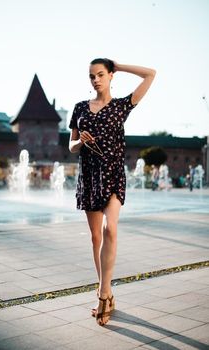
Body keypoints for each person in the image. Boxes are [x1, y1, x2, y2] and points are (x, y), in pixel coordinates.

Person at [69, 58, 156, 326]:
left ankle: (104, 295)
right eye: (91, 76)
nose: (95, 80)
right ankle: (104, 288)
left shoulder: (121, 106)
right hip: (90, 176)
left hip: (113, 175)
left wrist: (119, 65)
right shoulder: (80, 108)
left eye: (100, 74)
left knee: (110, 230)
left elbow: (150, 74)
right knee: (96, 237)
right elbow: (70, 146)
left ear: (110, 76)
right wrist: (80, 142)